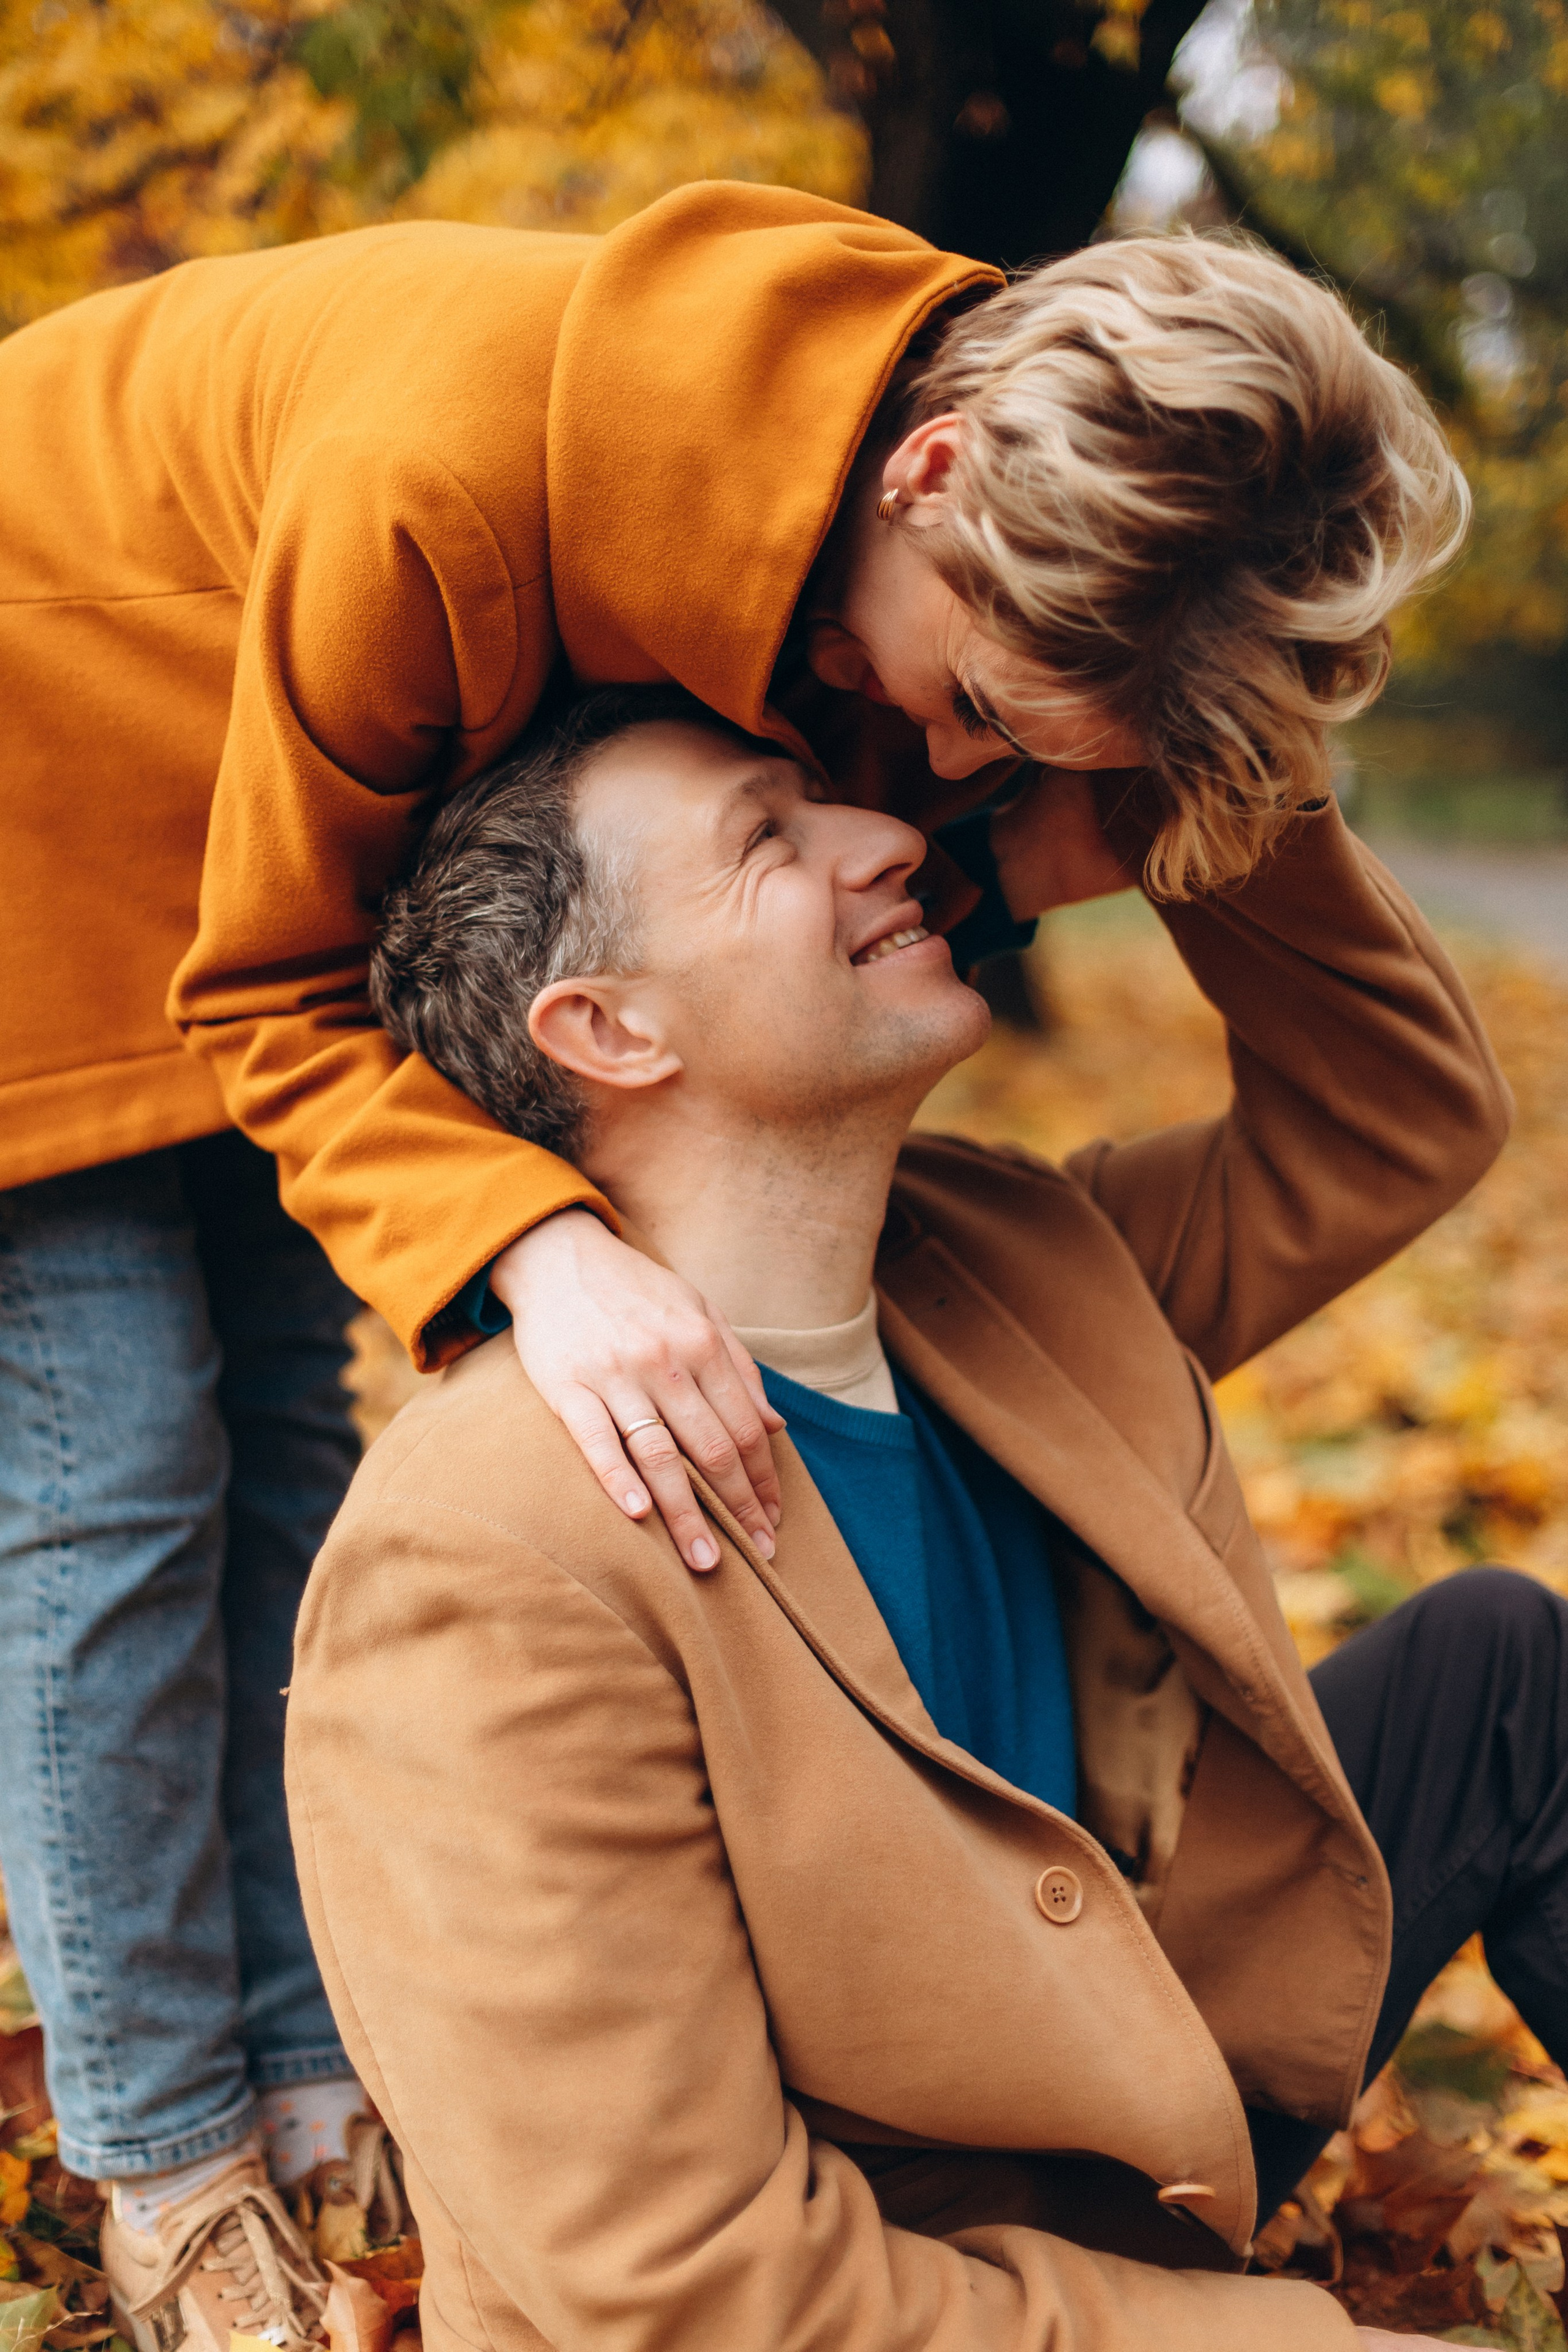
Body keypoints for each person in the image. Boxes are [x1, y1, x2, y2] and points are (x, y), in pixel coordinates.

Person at [1, 190, 1464, 2324]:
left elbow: (1373, 1086)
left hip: (289, 779)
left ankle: (324, 2067)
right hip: (41, 745)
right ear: (935, 476)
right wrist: (530, 1239)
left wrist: (1201, 749)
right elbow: (272, 984)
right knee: (122, 1449)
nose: (954, 781)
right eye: (978, 709)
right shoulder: (452, 483)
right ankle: (167, 2148)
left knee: (281, 1435)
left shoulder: (945, 497)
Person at [284, 689, 1544, 2352]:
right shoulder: (486, 1551)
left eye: (833, 802)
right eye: (768, 839)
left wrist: (1196, 781)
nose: (895, 844)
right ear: (608, 1030)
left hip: (1129, 2121)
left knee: (1503, 1670)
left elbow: (1401, 1120)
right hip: (870, 2300)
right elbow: (690, 2292)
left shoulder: (1009, 1261)